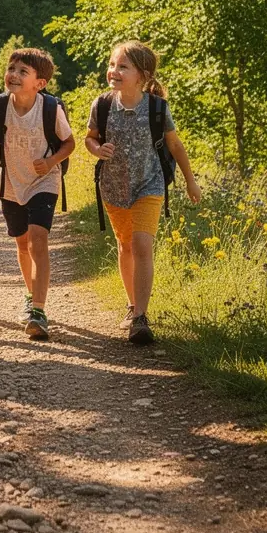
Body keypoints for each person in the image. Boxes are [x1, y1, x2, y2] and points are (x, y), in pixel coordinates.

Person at [85, 41, 201, 345]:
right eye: (112, 64)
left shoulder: (157, 108)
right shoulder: (103, 104)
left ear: (143, 75)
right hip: (113, 187)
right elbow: (90, 139)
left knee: (141, 244)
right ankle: (132, 304)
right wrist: (98, 150)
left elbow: (174, 146)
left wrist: (191, 181)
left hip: (150, 185)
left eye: (123, 66)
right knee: (124, 246)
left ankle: (141, 318)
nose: (114, 71)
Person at [0, 48, 75, 340]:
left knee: (38, 238)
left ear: (40, 83)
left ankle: (38, 309)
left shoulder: (49, 108)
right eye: (12, 69)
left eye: (24, 71)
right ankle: (30, 293)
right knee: (22, 244)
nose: (14, 75)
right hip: (12, 183)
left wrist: (50, 162)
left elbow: (69, 143)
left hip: (44, 181)